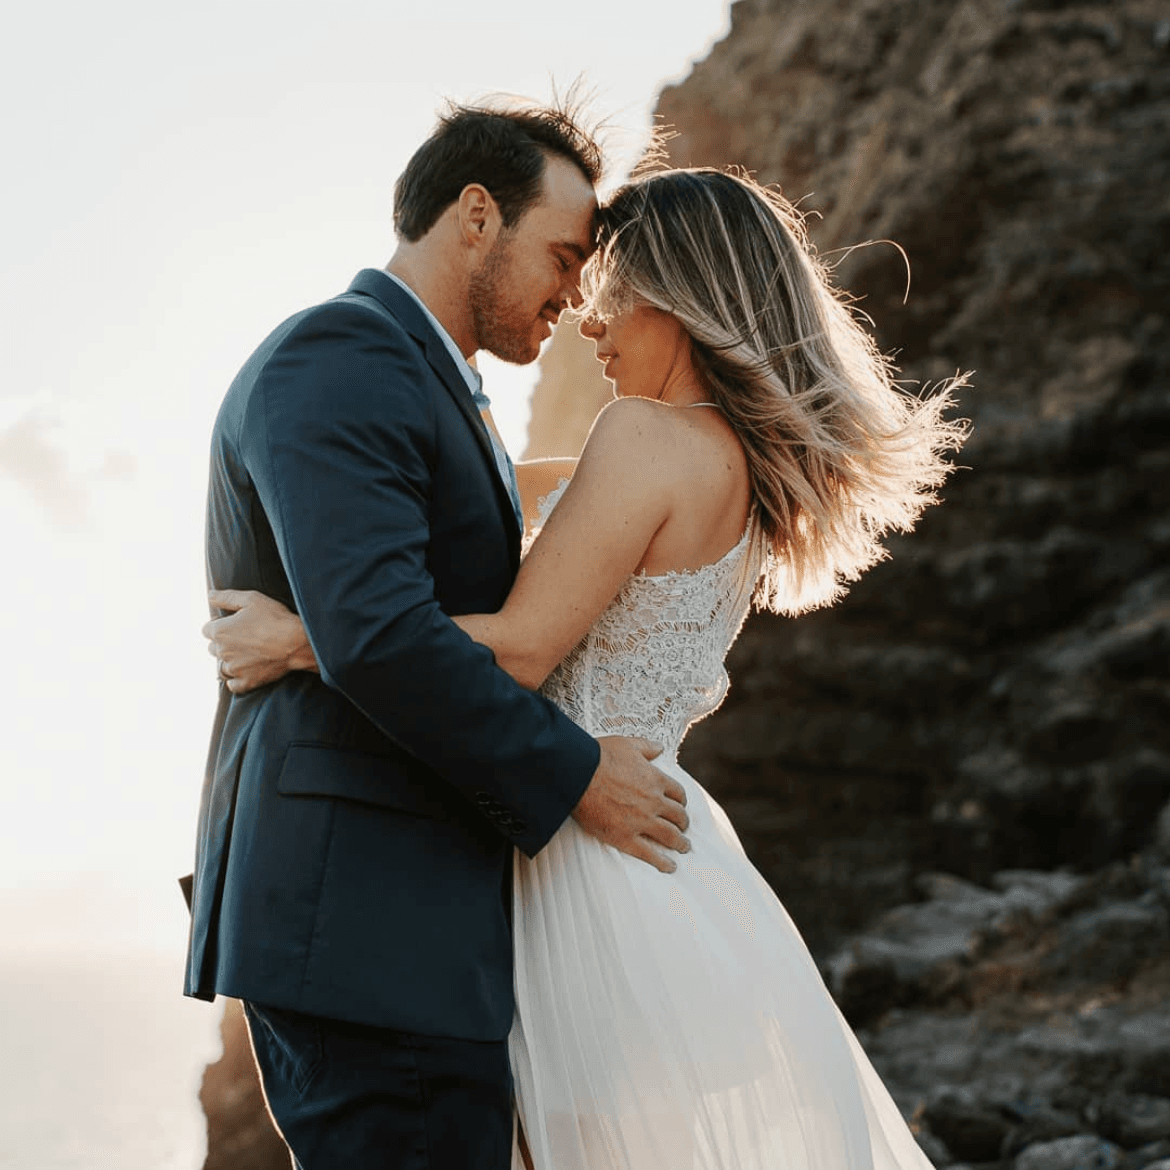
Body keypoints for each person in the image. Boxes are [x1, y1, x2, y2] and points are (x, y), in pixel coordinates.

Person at [206, 168, 969, 1170]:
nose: (590, 324)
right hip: (665, 857)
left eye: (612, 295)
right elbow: (499, 492)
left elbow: (521, 650)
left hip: (585, 863)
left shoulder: (641, 438)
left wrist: (300, 632)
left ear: (684, 301)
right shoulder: (731, 462)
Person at [184, 101, 694, 1170]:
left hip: (398, 918)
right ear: (475, 216)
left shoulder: (425, 378)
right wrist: (578, 777)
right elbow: (378, 635)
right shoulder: (343, 356)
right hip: (368, 920)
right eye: (561, 254)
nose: (571, 291)